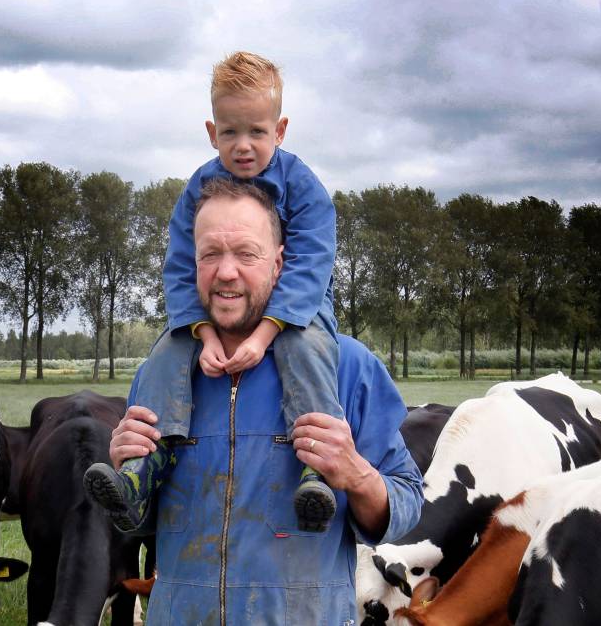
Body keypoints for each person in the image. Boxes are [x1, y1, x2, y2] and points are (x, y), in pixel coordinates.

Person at [110, 178, 423, 624]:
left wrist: (357, 475)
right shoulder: (162, 375)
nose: (226, 272)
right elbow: (143, 527)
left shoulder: (347, 367)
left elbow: (406, 503)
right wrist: (127, 472)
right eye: (210, 254)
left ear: (279, 263)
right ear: (191, 262)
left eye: (245, 253)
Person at [84, 51, 346, 534]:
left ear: (281, 130)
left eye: (257, 132)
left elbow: (310, 266)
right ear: (212, 132)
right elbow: (182, 268)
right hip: (209, 317)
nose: (243, 146)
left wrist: (264, 335)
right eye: (230, 133)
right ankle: (144, 468)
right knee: (165, 350)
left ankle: (317, 470)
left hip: (296, 314)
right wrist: (204, 335)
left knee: (306, 348)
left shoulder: (305, 188)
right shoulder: (198, 187)